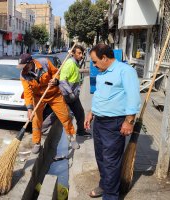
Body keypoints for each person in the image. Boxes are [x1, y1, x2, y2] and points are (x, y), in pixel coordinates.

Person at [84, 44, 140, 199]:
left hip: (114, 123)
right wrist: (91, 112)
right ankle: (104, 185)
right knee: (101, 158)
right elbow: (100, 95)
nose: (94, 65)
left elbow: (133, 97)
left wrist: (129, 121)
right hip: (99, 122)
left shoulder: (125, 71)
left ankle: (110, 195)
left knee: (111, 162)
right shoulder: (102, 73)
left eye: (95, 61)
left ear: (104, 58)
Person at [18, 53, 79, 154]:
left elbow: (56, 73)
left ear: (30, 63)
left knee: (65, 116)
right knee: (36, 120)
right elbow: (27, 93)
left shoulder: (45, 62)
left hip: (54, 94)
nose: (22, 69)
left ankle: (71, 137)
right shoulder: (23, 75)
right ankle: (36, 143)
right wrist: (29, 109)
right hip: (38, 97)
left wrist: (55, 80)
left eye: (24, 67)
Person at [42, 45, 91, 137]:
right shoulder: (69, 63)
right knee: (57, 114)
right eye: (79, 53)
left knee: (79, 112)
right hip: (66, 94)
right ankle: (42, 129)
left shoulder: (75, 63)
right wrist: (70, 92)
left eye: (82, 53)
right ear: (72, 53)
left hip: (73, 95)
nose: (82, 56)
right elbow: (62, 80)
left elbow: (74, 75)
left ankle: (80, 130)